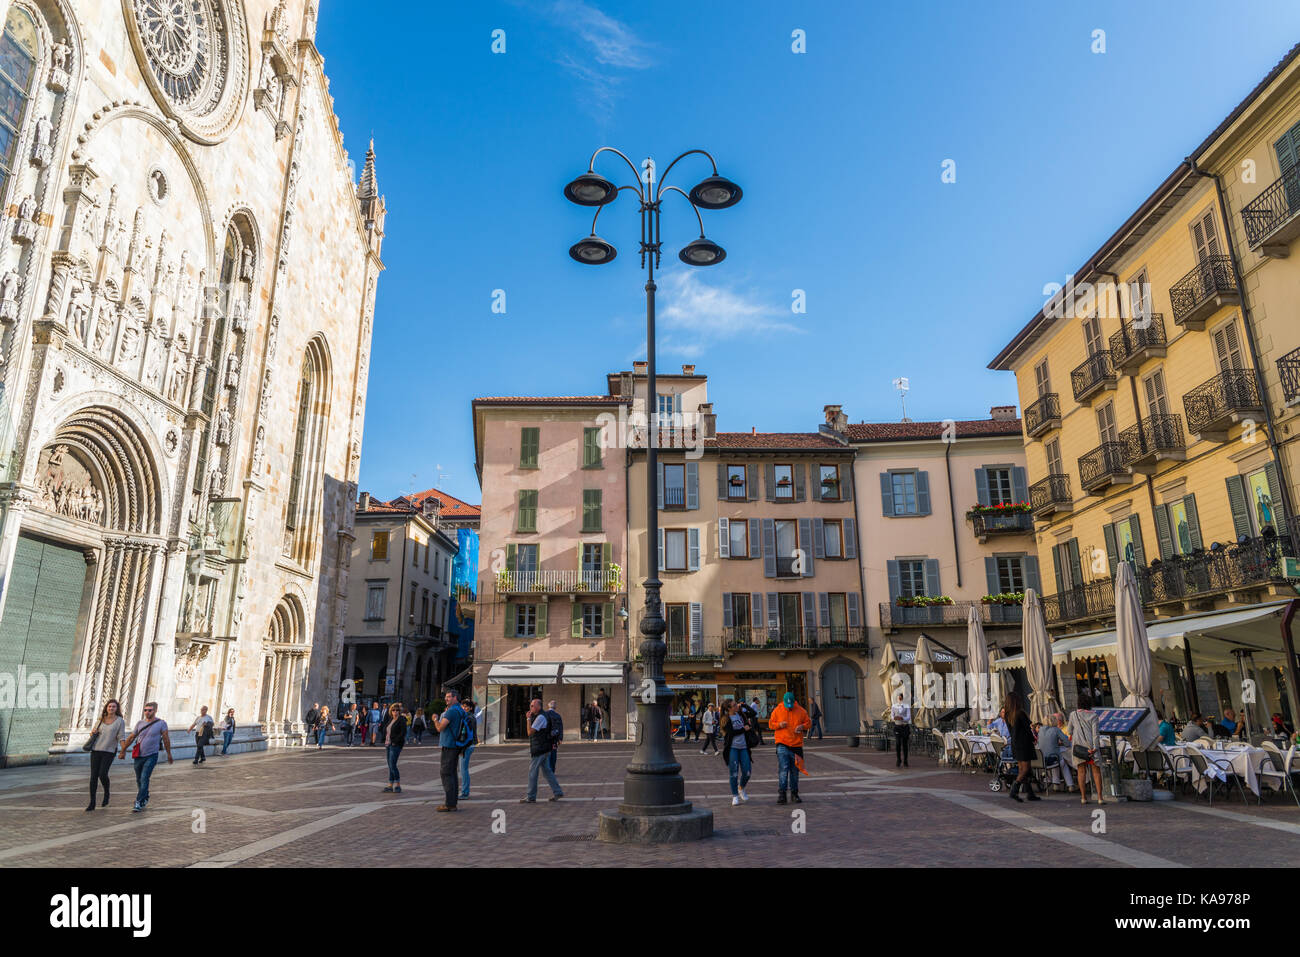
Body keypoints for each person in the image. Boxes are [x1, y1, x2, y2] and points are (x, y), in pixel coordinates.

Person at [119, 701, 173, 812]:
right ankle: (145, 795)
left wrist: (169, 754)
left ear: (155, 710)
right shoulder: (140, 723)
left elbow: (166, 739)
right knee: (139, 779)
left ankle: (138, 801)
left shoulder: (161, 723)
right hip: (139, 755)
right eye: (145, 710)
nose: (147, 712)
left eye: (150, 710)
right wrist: (123, 750)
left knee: (144, 777)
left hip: (152, 755)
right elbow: (131, 737)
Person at [769, 692, 810, 805]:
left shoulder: (801, 711)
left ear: (794, 702)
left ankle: (794, 793)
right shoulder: (777, 710)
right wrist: (779, 725)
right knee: (784, 768)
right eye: (787, 706)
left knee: (794, 771)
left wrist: (802, 727)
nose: (789, 707)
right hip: (782, 743)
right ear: (783, 701)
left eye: (791, 705)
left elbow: (808, 723)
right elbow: (771, 724)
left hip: (796, 745)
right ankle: (782, 794)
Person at [86, 699, 127, 811]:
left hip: (109, 751)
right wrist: (93, 733)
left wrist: (123, 750)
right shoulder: (100, 719)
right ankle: (92, 802)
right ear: (106, 708)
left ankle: (106, 793)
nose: (111, 708)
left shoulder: (120, 721)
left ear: (117, 708)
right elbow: (93, 732)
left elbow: (121, 737)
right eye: (109, 706)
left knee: (102, 774)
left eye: (113, 707)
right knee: (93, 776)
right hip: (96, 749)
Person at [521, 698, 563, 803]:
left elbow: (530, 732)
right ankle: (558, 792)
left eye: (532, 706)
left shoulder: (540, 717)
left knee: (532, 772)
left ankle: (531, 796)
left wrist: (528, 719)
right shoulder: (542, 715)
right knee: (547, 771)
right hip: (544, 748)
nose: (530, 708)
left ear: (538, 707)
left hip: (540, 748)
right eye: (530, 705)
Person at [1068, 690, 1105, 806]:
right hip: (1091, 747)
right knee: (1096, 771)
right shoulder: (1094, 716)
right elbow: (1095, 734)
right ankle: (1100, 797)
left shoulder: (1073, 715)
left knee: (1081, 771)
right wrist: (1095, 747)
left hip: (1079, 747)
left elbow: (1069, 731)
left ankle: (1083, 797)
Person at [433, 691, 468, 811]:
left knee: (446, 773)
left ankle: (449, 804)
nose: (446, 699)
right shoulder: (461, 710)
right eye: (446, 697)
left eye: (449, 697)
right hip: (457, 744)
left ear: (455, 698)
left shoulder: (452, 711)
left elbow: (440, 727)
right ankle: (453, 802)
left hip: (449, 745)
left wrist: (435, 719)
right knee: (452, 774)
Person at [1006, 692, 1041, 803]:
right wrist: (1033, 738)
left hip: (1015, 744)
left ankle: (1030, 793)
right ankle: (1014, 790)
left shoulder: (1008, 715)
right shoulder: (1020, 713)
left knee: (1023, 769)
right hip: (1024, 744)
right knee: (1025, 769)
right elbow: (1028, 729)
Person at [722, 700, 753, 806]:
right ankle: (735, 795)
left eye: (736, 704)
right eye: (734, 705)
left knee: (747, 772)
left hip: (744, 747)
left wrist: (745, 705)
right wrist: (744, 729)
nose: (737, 706)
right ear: (729, 708)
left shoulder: (741, 714)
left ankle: (741, 787)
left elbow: (753, 713)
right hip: (733, 748)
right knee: (733, 773)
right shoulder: (725, 718)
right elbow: (731, 732)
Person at [1038, 713, 1075, 791]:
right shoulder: (1056, 730)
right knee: (1062, 763)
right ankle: (1070, 784)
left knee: (1056, 761)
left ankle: (1056, 784)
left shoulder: (1040, 730)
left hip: (1043, 759)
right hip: (1053, 758)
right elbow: (1067, 743)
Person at [382, 703, 407, 792]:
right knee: (390, 765)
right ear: (391, 711)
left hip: (395, 745)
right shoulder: (391, 719)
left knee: (392, 765)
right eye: (393, 710)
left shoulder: (401, 720)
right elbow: (386, 730)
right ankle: (390, 785)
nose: (395, 712)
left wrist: (395, 742)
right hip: (388, 744)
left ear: (399, 712)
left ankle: (398, 785)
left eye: (397, 710)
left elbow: (403, 733)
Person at [459, 698, 478, 799]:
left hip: (467, 745)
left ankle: (465, 792)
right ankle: (464, 791)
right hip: (468, 745)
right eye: (463, 706)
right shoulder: (469, 717)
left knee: (463, 770)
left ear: (470, 708)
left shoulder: (469, 718)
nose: (464, 708)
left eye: (466, 706)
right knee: (463, 769)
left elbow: (466, 734)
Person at [891, 692, 911, 767]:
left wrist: (903, 718)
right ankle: (898, 759)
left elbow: (908, 717)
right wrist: (894, 718)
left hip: (905, 727)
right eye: (898, 698)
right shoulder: (894, 706)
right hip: (897, 727)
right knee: (898, 743)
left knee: (905, 744)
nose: (899, 699)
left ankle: (905, 760)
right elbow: (892, 716)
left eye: (901, 698)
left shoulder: (906, 706)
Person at [545, 700, 563, 772]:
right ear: (555, 707)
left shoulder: (545, 714)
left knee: (547, 755)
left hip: (546, 738)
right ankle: (552, 769)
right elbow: (560, 728)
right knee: (553, 754)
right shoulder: (557, 716)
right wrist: (560, 738)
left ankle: (548, 769)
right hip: (554, 739)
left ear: (548, 706)